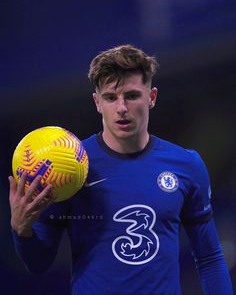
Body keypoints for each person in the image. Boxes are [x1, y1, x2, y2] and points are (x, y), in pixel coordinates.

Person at [9, 44, 233, 295]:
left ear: (152, 97)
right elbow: (38, 264)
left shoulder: (186, 165)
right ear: (97, 102)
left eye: (132, 95)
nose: (122, 108)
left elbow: (210, 257)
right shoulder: (68, 171)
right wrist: (22, 230)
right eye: (110, 97)